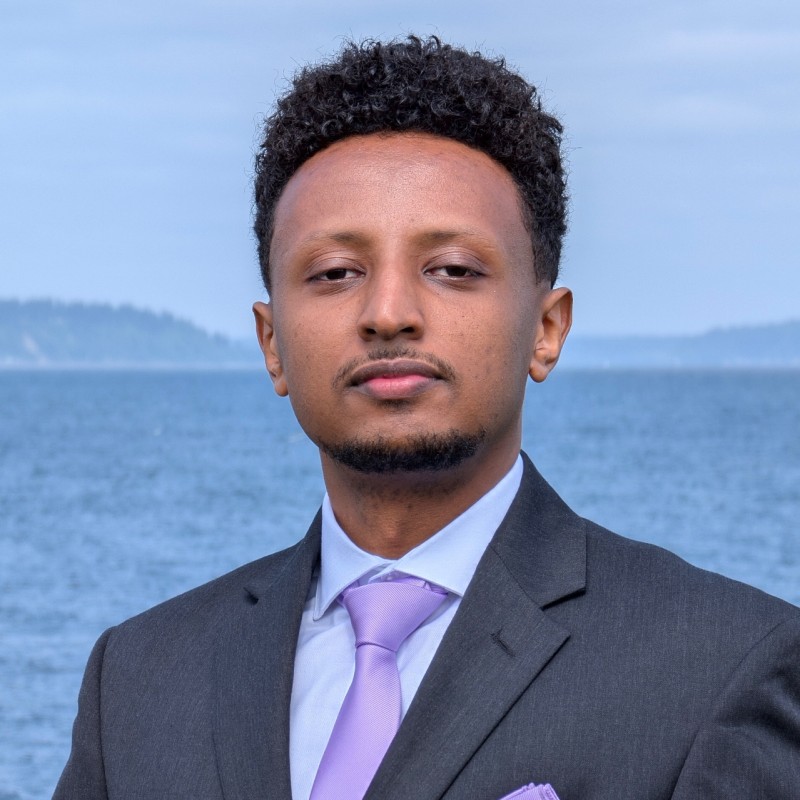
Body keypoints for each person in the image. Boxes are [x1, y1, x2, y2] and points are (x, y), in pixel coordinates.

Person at [54, 36, 800, 800]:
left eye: (451, 270)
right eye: (336, 273)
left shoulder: (722, 665)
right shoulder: (138, 679)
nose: (388, 314)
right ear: (271, 343)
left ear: (547, 329)